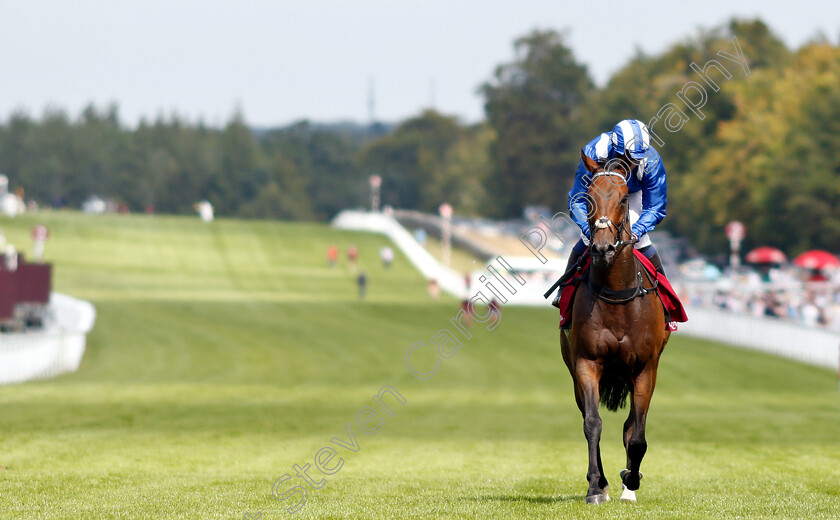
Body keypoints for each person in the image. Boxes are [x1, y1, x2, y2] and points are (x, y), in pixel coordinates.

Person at [565, 119, 668, 277]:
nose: (631, 163)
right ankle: (563, 291)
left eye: (636, 159)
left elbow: (655, 207)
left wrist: (637, 232)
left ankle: (665, 295)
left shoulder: (651, 162)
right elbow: (577, 200)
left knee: (641, 239)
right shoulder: (594, 152)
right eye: (625, 157)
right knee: (587, 239)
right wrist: (588, 229)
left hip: (633, 194)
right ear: (615, 148)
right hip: (601, 194)